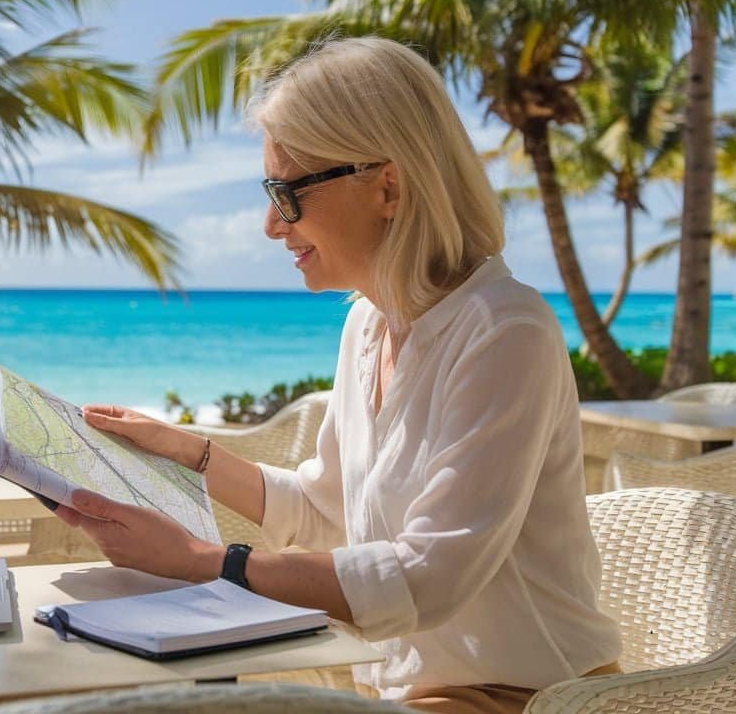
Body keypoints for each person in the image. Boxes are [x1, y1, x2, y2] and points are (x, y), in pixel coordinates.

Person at [53, 36, 623, 714]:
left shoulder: (505, 331)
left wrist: (201, 561)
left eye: (286, 193)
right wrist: (188, 451)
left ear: (387, 185)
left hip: (528, 696)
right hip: (396, 686)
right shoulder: (369, 326)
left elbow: (427, 577)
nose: (270, 224)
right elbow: (326, 514)